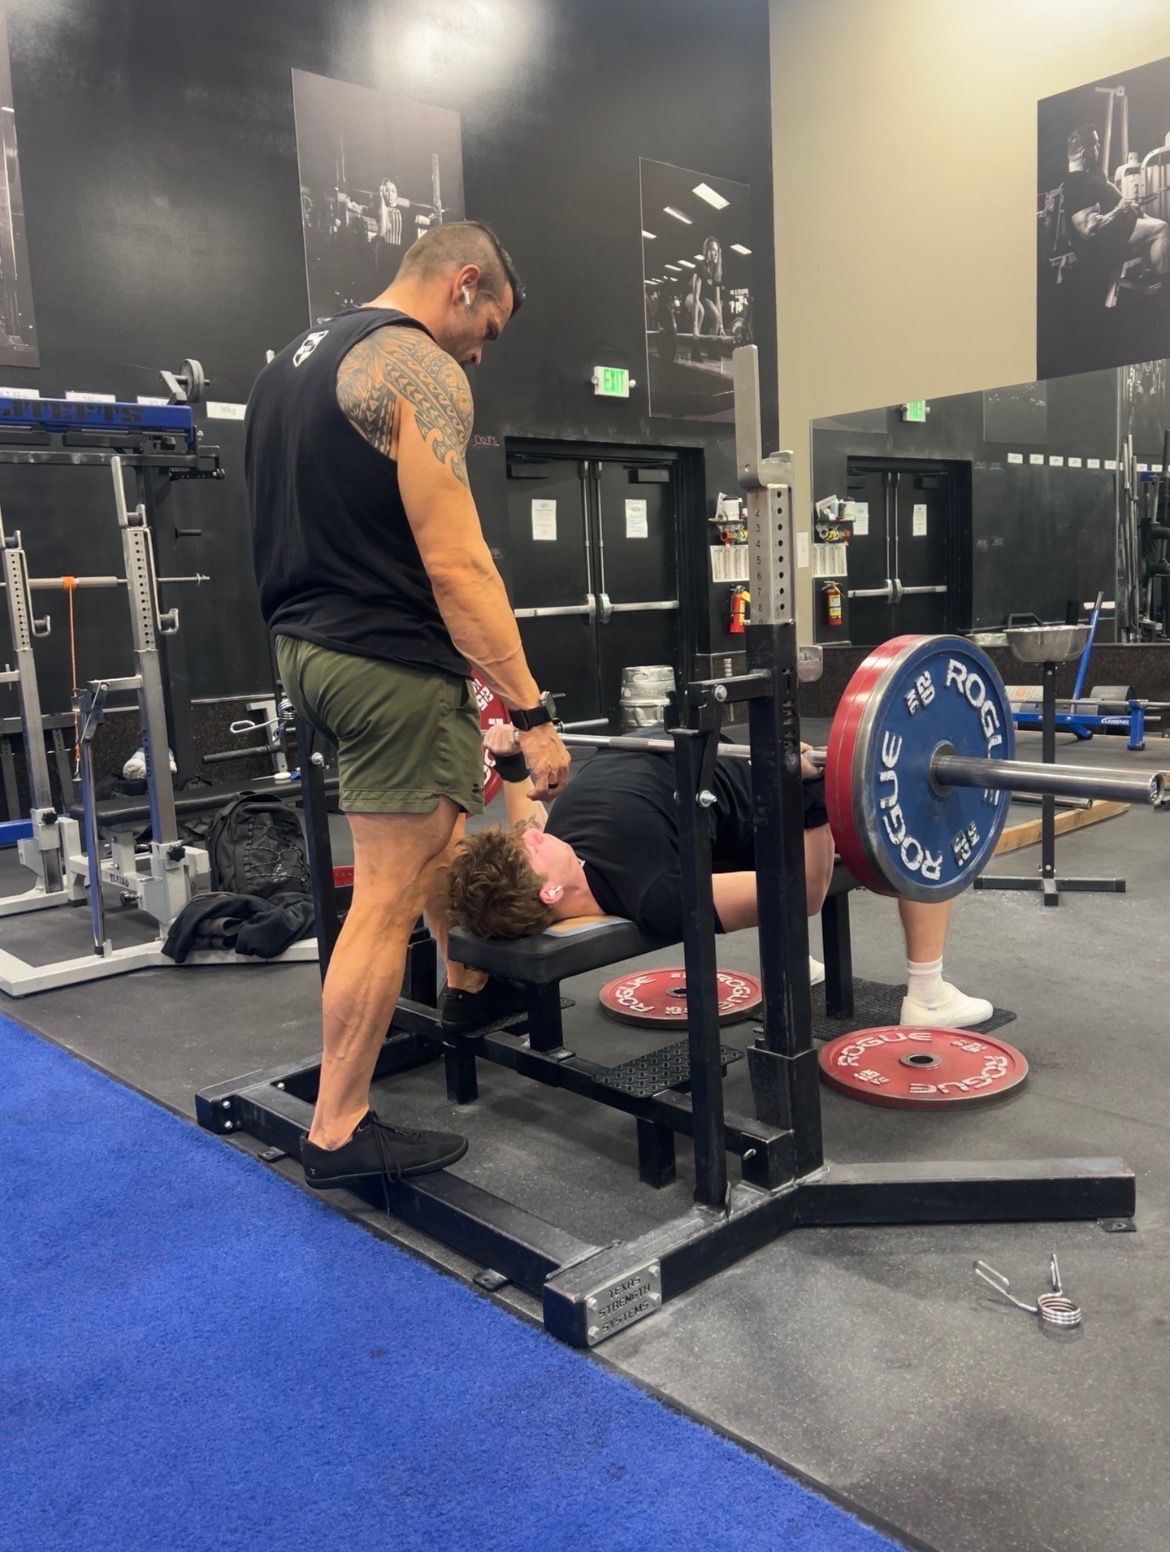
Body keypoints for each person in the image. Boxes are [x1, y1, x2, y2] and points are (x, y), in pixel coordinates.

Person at [244, 220, 570, 1191]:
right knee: (385, 897)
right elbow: (459, 564)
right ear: (464, 284)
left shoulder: (289, 365)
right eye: (489, 328)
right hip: (387, 660)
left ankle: (451, 998)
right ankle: (339, 1128)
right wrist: (532, 712)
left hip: (306, 650)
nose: (481, 353)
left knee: (423, 851)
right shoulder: (418, 367)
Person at [449, 724, 993, 1031]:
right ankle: (928, 996)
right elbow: (802, 894)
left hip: (710, 755)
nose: (531, 836)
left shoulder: (560, 845)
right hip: (761, 796)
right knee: (921, 812)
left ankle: (793, 963)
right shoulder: (657, 897)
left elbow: (527, 820)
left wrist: (512, 762)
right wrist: (805, 788)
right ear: (550, 892)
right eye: (530, 850)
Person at [1063, 125, 1169, 293]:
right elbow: (1088, 230)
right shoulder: (1075, 184)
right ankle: (1165, 289)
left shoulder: (1090, 172)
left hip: (1110, 232)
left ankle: (1152, 276)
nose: (1098, 147)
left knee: (1152, 221)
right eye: (1095, 144)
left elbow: (1107, 187)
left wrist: (1127, 204)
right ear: (1084, 153)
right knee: (1161, 229)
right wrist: (1119, 209)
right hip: (1097, 246)